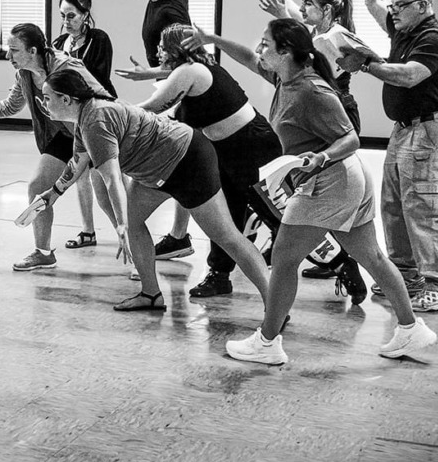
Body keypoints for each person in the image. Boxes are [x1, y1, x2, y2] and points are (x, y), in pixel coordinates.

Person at [186, 20, 436, 364]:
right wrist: (211, 38)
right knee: (371, 256)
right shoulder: (285, 78)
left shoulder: (311, 90)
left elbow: (350, 138)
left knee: (285, 258)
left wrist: (320, 156)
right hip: (340, 179)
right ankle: (411, 329)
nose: (260, 50)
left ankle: (268, 342)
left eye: (266, 44)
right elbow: (246, 58)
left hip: (332, 179)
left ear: (286, 52)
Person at [36, 68, 271, 314]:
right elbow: (77, 162)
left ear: (66, 99)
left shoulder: (95, 120)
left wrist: (121, 225)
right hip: (157, 169)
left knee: (227, 236)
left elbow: (113, 179)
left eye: (47, 97)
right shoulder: (85, 118)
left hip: (187, 160)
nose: (44, 104)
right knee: (133, 219)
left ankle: (274, 305)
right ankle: (151, 294)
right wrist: (52, 193)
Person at [338, 0, 438, 313]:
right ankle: (406, 276)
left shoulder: (432, 37)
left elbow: (409, 76)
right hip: (405, 129)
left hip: (430, 129)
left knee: (423, 207)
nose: (392, 12)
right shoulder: (405, 29)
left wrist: (367, 64)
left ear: (422, 5)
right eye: (394, 6)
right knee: (393, 205)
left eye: (400, 6)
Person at [231, 0, 365, 288]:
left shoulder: (332, 35)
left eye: (309, 3)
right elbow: (285, 4)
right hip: (314, 106)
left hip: (330, 108)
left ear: (327, 10)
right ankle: (330, 256)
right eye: (303, 2)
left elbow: (366, 55)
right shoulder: (315, 32)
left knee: (318, 192)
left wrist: (363, 62)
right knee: (305, 191)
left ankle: (332, 257)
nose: (301, 7)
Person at [137, 23, 281, 297]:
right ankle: (219, 275)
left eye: (162, 46)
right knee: (226, 217)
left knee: (277, 214)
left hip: (253, 147)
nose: (157, 50)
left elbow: (152, 107)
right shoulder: (194, 68)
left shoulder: (190, 72)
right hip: (227, 151)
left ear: (175, 49)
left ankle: (339, 263)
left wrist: (108, 109)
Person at [0, 23, 110, 272]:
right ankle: (43, 253)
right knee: (38, 186)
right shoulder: (25, 74)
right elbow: (9, 106)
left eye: (14, 50)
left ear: (33, 50)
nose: (8, 56)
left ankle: (136, 255)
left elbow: (103, 98)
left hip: (92, 133)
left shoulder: (68, 67)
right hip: (63, 135)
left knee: (108, 201)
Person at [117, 0, 195, 262]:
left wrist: (146, 77)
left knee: (181, 162)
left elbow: (182, 66)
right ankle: (180, 235)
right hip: (174, 85)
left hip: (181, 90)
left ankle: (176, 233)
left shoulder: (170, 12)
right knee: (190, 163)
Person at [52, 0, 116, 251]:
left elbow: (97, 78)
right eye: (63, 16)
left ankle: (130, 234)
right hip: (72, 118)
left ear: (85, 15)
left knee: (104, 184)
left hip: (99, 116)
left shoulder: (99, 39)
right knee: (79, 175)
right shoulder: (57, 44)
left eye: (71, 16)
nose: (66, 22)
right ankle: (87, 231)